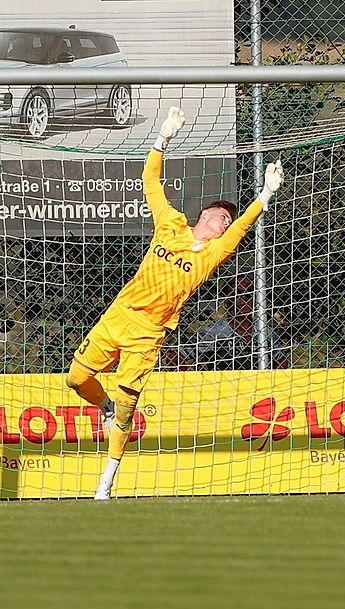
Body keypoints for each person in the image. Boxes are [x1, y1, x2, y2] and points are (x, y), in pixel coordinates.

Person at [64, 107, 284, 499]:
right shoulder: (171, 224)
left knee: (130, 408)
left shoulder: (212, 254)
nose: (223, 225)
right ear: (205, 214)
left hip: (149, 335)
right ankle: (105, 407)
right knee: (76, 379)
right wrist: (163, 136)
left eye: (227, 225)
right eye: (220, 219)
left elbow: (245, 225)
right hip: (118, 317)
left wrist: (266, 194)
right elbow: (150, 178)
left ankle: (105, 485)